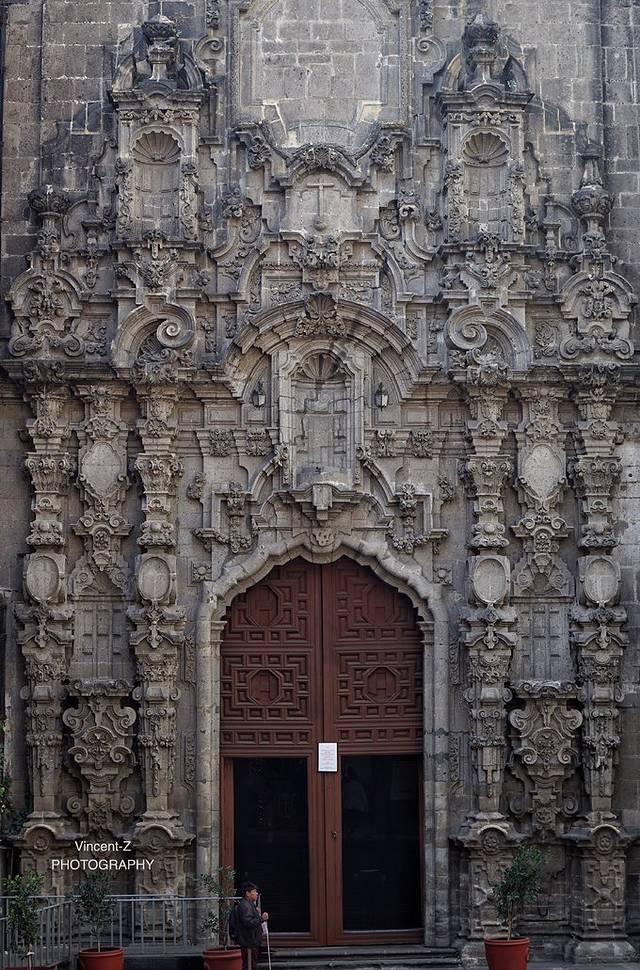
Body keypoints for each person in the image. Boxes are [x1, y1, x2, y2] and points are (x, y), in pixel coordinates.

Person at [236, 881, 269, 970]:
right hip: (249, 941)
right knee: (249, 965)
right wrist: (261, 918)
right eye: (254, 891)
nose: (256, 893)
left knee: (251, 964)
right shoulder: (245, 905)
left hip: (251, 940)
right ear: (248, 893)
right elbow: (248, 922)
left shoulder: (249, 905)